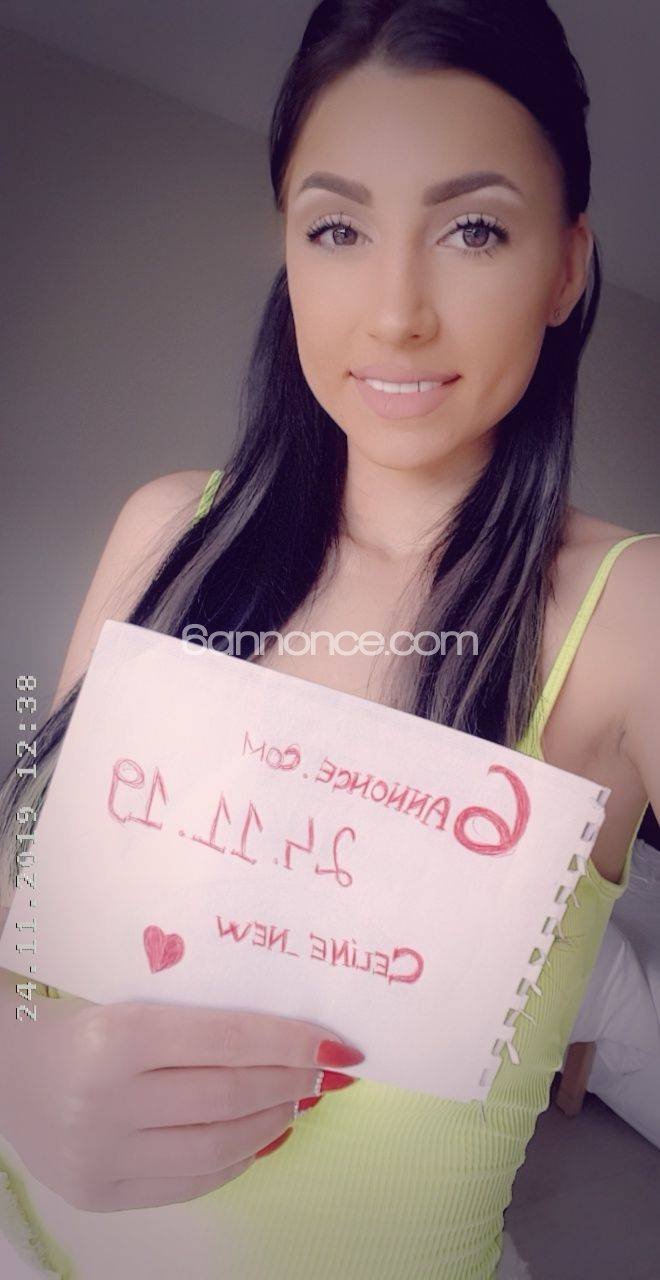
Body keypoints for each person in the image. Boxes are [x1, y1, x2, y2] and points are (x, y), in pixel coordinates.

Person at [0, 1, 658, 1276]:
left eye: (474, 229)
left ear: (567, 265)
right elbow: (18, 912)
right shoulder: (165, 531)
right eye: (339, 228)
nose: (396, 312)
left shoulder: (627, 614)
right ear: (289, 249)